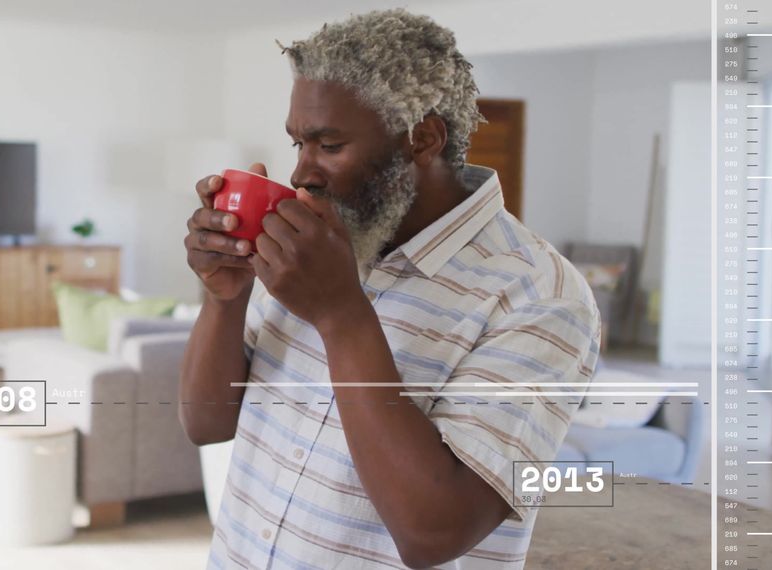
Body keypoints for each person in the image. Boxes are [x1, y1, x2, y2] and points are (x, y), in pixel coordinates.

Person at [180, 9, 600, 569]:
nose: (302, 172)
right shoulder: (319, 242)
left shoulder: (541, 296)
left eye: (328, 145)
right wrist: (225, 298)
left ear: (421, 137)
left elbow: (433, 532)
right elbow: (205, 423)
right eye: (298, 144)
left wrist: (341, 316)